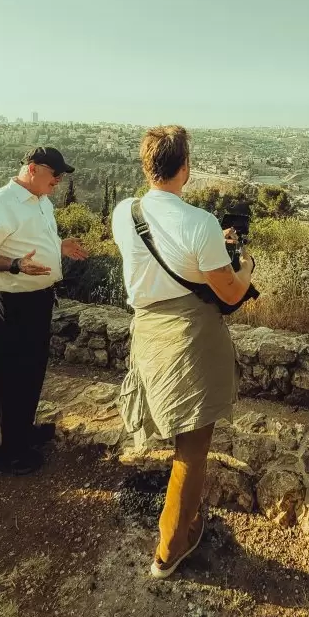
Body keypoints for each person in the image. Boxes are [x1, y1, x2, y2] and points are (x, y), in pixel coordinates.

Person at [112, 125, 255, 579]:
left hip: (147, 332)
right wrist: (245, 264)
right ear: (186, 170)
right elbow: (231, 295)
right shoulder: (201, 224)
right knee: (192, 448)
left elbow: (165, 255)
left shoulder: (124, 212)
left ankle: (177, 528)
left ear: (146, 165)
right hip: (189, 339)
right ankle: (171, 545)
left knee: (175, 434)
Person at [0, 146, 88, 475]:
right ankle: (6, 454)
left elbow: (28, 239)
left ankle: (22, 432)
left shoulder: (41, 201)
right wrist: (15, 265)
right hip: (9, 301)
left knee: (31, 370)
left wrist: (59, 246)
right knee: (8, 375)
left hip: (37, 299)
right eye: (54, 174)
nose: (58, 181)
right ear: (33, 168)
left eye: (61, 175)